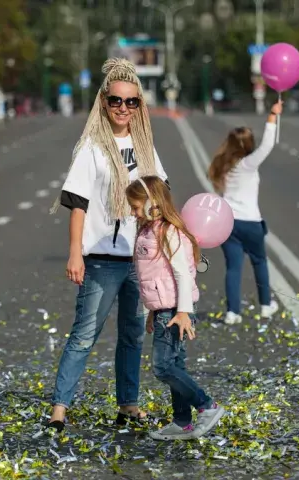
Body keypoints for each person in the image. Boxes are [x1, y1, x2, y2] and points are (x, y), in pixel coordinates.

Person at [46, 58, 169, 432]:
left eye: (131, 102)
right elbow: (78, 204)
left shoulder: (145, 146)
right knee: (85, 335)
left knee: (132, 335)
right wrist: (74, 254)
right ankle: (59, 407)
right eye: (116, 101)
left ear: (139, 106)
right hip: (101, 259)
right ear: (103, 102)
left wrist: (164, 250)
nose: (123, 108)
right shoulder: (91, 148)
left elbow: (161, 198)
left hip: (139, 256)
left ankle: (128, 404)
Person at [127, 176, 226, 440]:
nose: (133, 212)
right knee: (176, 367)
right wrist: (151, 309)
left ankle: (207, 405)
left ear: (153, 204)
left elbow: (182, 274)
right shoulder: (148, 229)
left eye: (136, 206)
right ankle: (183, 422)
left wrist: (182, 313)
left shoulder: (168, 232)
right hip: (164, 310)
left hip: (174, 312)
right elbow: (155, 276)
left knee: (163, 368)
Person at [207, 98, 283, 325]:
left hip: (227, 222)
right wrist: (272, 115)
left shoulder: (223, 165)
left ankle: (233, 312)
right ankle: (266, 305)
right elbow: (268, 145)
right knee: (259, 262)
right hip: (250, 222)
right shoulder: (248, 164)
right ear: (248, 145)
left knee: (233, 267)